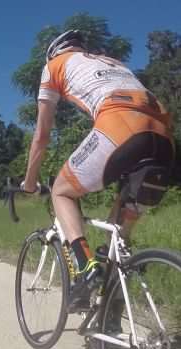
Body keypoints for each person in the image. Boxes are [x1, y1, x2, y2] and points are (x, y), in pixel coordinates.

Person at [22, 30, 175, 311]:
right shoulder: (112, 62)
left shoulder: (53, 65)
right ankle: (111, 316)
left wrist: (29, 183)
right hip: (164, 140)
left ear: (54, 52)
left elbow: (42, 136)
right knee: (118, 237)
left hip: (121, 126)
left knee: (62, 191)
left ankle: (86, 268)